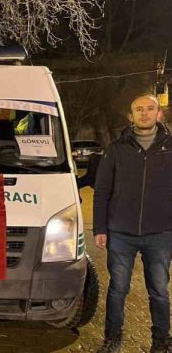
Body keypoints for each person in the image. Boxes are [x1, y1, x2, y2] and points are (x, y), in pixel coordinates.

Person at [94, 94, 172, 353]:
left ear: (159, 114)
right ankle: (112, 338)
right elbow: (102, 190)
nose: (144, 113)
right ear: (131, 116)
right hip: (121, 233)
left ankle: (161, 340)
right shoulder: (116, 148)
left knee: (159, 290)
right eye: (139, 109)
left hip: (160, 233)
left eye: (150, 108)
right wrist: (100, 228)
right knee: (118, 289)